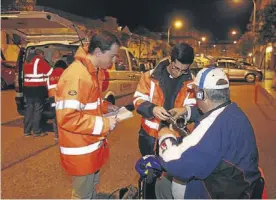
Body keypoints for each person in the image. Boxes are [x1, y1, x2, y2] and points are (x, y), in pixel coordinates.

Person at [156, 67, 261, 199]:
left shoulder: (214, 128)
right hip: (237, 185)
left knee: (162, 184)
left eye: (195, 92)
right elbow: (210, 113)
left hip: (216, 193)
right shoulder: (231, 111)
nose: (194, 96)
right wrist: (186, 111)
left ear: (202, 95)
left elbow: (175, 163)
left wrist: (166, 136)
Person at [55, 31, 121, 199]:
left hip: (89, 145)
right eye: (112, 56)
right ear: (98, 52)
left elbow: (88, 105)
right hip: (80, 150)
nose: (113, 62)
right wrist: (105, 124)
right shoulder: (77, 76)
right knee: (82, 194)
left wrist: (106, 107)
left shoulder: (91, 71)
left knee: (89, 189)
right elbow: (68, 117)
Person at [133, 43, 200, 198]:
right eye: (176, 68)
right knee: (149, 175)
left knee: (172, 176)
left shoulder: (191, 82)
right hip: (149, 136)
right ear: (170, 59)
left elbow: (194, 107)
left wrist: (183, 112)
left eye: (184, 70)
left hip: (175, 138)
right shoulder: (149, 77)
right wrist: (152, 109)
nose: (179, 73)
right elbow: (138, 100)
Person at [23, 49, 53, 137]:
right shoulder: (39, 61)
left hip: (27, 89)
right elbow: (50, 72)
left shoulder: (27, 61)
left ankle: (27, 131)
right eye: (43, 55)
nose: (44, 57)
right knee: (38, 110)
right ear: (40, 54)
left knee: (29, 110)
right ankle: (37, 131)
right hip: (38, 89)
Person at [46, 60, 67, 140]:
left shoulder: (50, 74)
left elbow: (47, 85)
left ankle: (56, 135)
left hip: (52, 96)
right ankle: (63, 134)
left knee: (55, 116)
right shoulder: (65, 72)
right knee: (63, 116)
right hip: (61, 97)